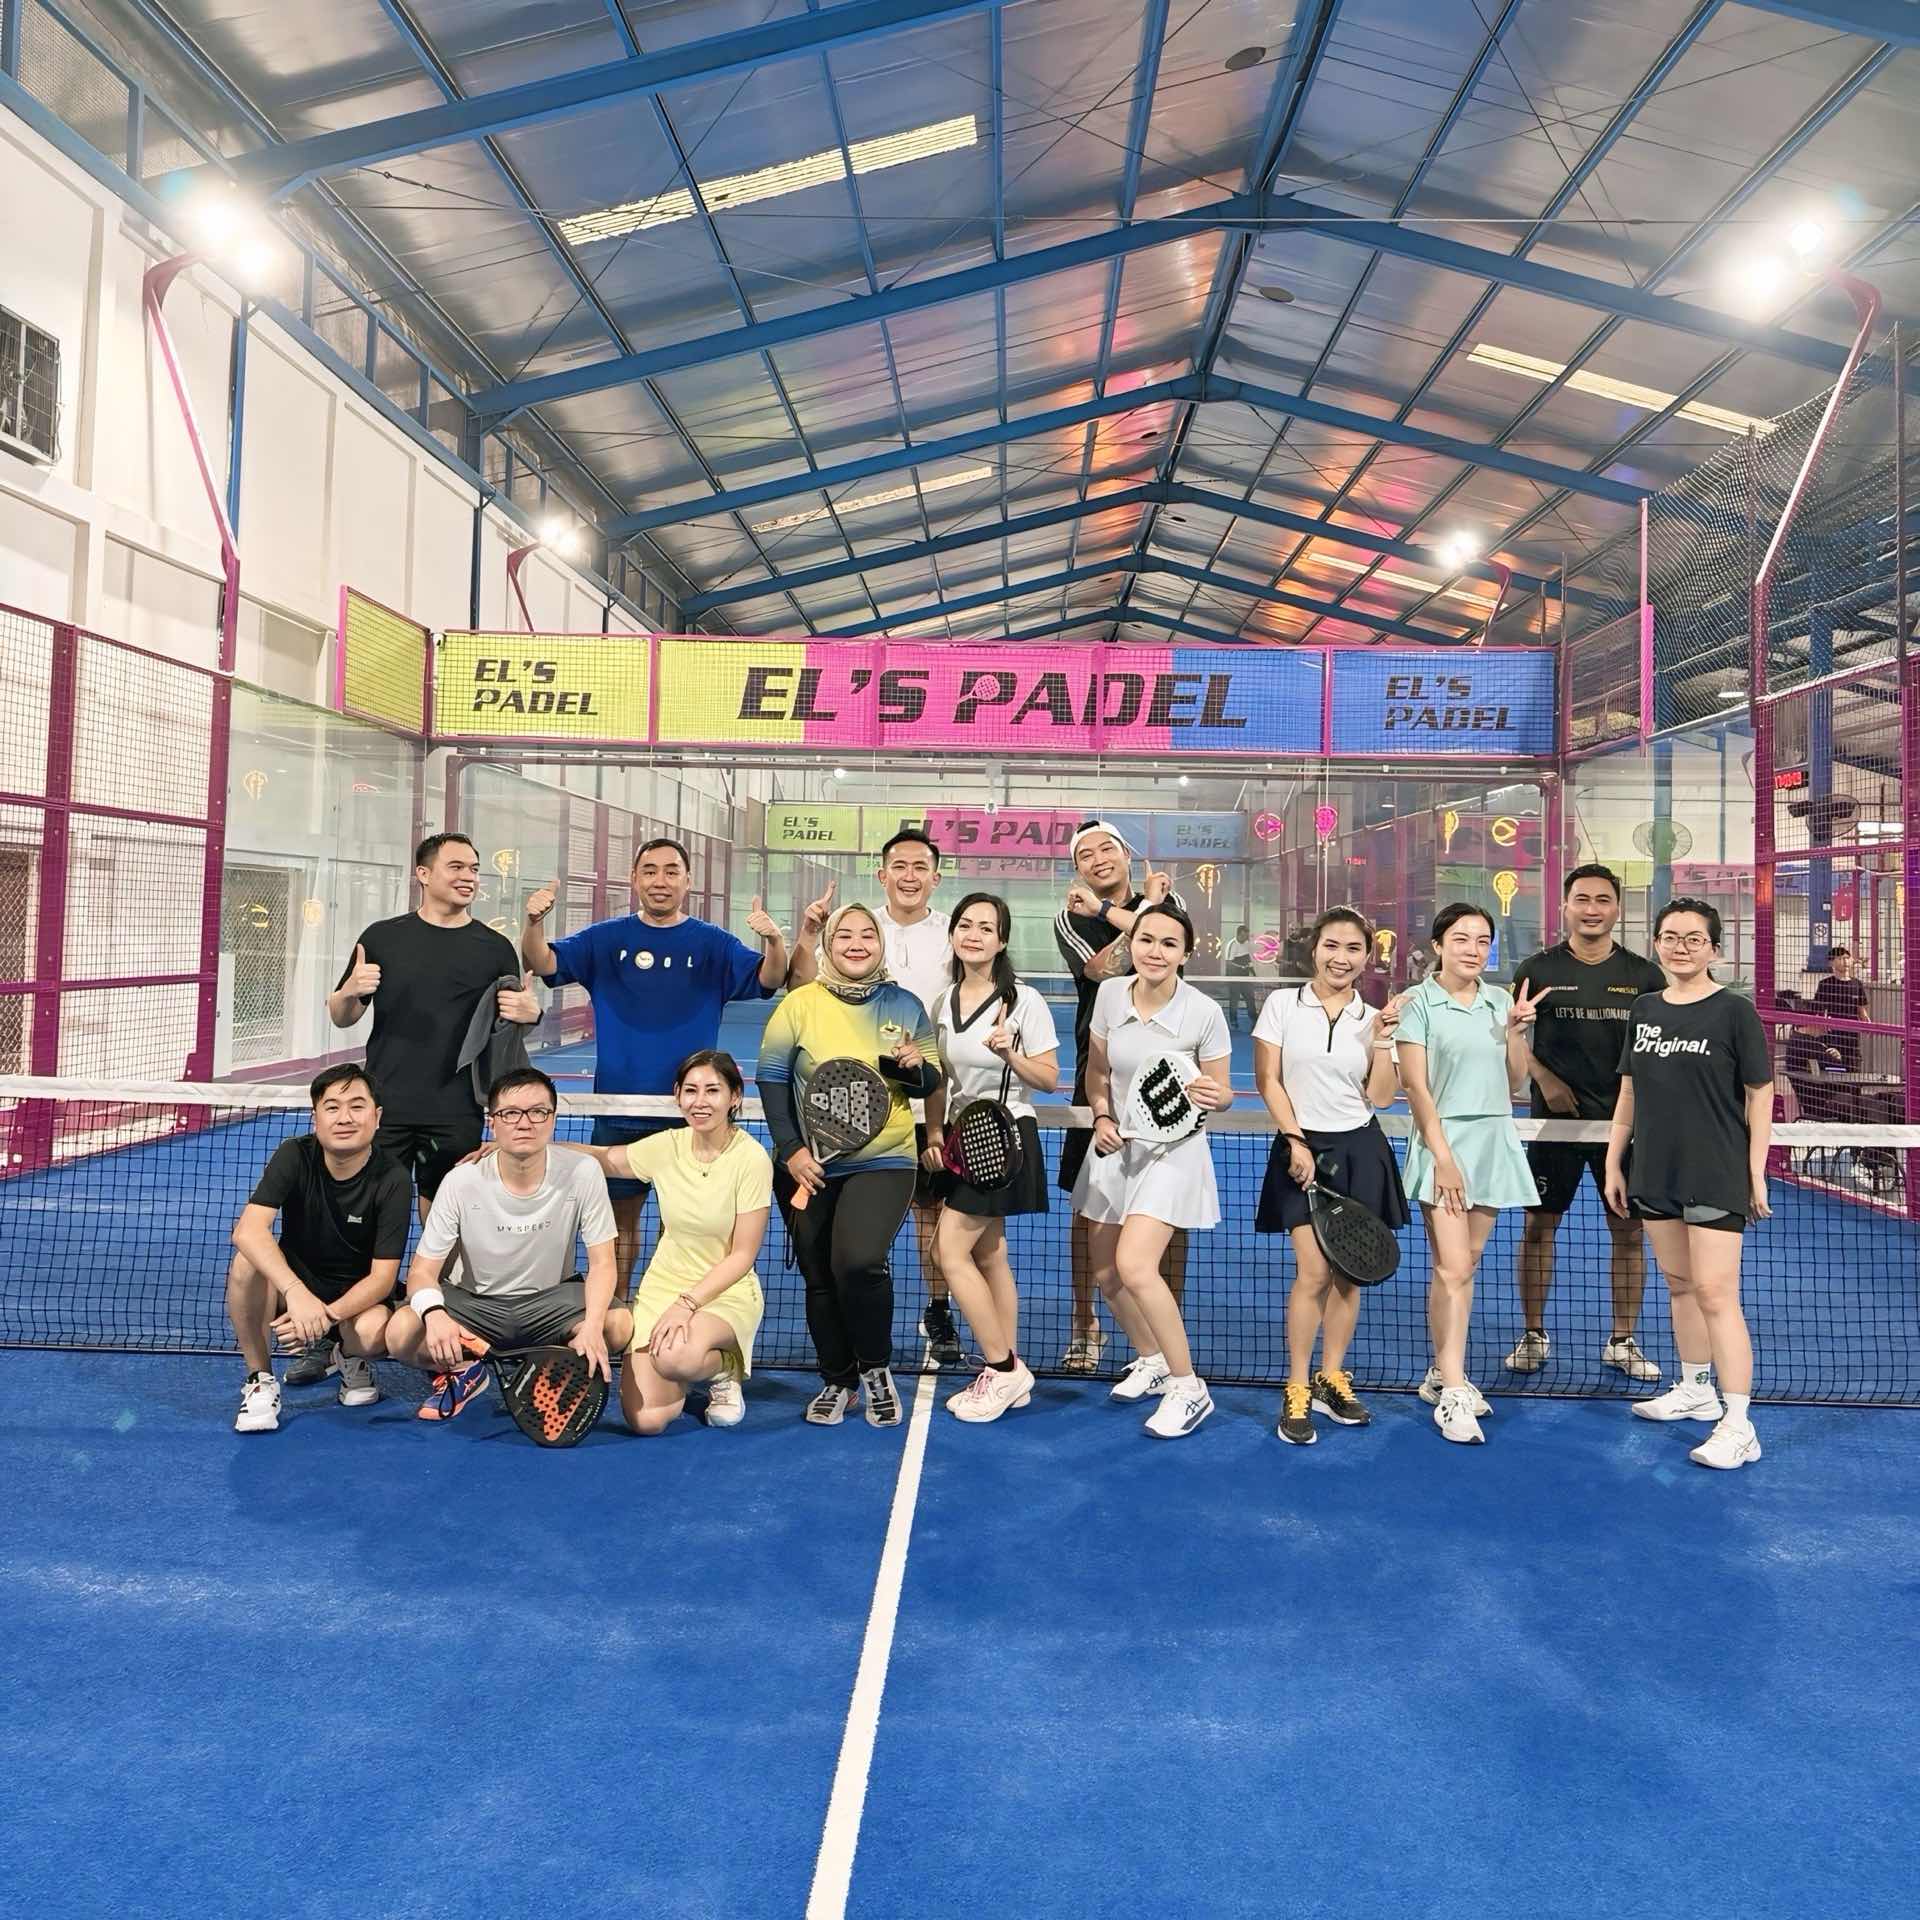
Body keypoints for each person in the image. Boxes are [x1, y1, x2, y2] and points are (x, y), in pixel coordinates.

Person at [308, 832, 539, 1385]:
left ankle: (448, 1332)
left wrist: (529, 1014)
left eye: (474, 868)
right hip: (382, 1112)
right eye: (456, 866)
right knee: (361, 1226)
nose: (469, 876)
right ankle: (341, 1341)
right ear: (423, 873)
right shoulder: (381, 938)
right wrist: (350, 990)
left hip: (455, 1111)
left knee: (445, 1227)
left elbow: (507, 1033)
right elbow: (341, 1015)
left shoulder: (493, 948)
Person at [521, 837, 787, 1300]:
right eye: (649, 871)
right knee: (618, 1224)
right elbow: (542, 961)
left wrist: (774, 940)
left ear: (687, 880)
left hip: (691, 1114)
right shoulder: (605, 939)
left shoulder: (712, 942)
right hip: (617, 1108)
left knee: (681, 1224)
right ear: (634, 879)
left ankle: (672, 1307)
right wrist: (533, 923)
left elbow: (770, 977)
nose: (659, 881)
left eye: (670, 871)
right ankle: (618, 1307)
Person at [1605, 900, 1773, 1470]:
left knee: (1716, 1295)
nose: (1681, 947)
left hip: (1715, 1170)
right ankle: (1697, 1390)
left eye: (1694, 938)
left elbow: (1760, 1094)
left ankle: (1739, 1424)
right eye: (1670, 936)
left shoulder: (1734, 1012)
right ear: (1655, 943)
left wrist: (1755, 1171)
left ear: (1714, 950)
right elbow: (1629, 1090)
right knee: (1679, 1285)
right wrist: (1614, 1161)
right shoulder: (1645, 1010)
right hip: (1655, 1169)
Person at [759, 904, 941, 1428]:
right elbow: (772, 1079)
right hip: (807, 1165)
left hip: (884, 1159)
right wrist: (792, 1150)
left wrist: (915, 1068)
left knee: (857, 1262)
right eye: (844, 935)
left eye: (867, 935)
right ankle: (838, 1379)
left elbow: (929, 1082)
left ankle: (875, 1369)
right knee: (819, 1276)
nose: (856, 944)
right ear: (828, 944)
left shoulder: (904, 1005)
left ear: (880, 944)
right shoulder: (799, 1004)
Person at [527, 1052, 772, 1435]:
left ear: (735, 1097)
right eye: (690, 1090)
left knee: (674, 1357)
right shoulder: (668, 1146)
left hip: (725, 1291)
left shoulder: (752, 1159)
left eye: (712, 1090)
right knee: (646, 1421)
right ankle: (682, 1368)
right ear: (677, 1095)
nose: (700, 1101)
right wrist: (533, 1147)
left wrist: (686, 1305)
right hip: (664, 1286)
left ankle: (724, 1368)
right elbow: (606, 1159)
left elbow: (743, 1254)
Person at [790, 829, 961, 1368]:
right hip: (848, 1106)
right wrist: (807, 935)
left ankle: (938, 1309)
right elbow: (800, 990)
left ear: (936, 877)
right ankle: (859, 1318)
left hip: (927, 1096)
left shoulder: (953, 935)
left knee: (931, 1213)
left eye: (920, 867)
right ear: (882, 874)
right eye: (899, 866)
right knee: (855, 1234)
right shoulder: (858, 928)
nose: (909, 876)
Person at [1396, 903, 1558, 1444]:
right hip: (1443, 1142)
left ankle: (1441, 1373)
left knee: (1462, 1266)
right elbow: (1415, 1087)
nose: (1473, 949)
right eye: (1461, 938)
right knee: (1453, 1268)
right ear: (1438, 945)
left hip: (1492, 1141)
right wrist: (1442, 1157)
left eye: (1483, 940)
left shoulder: (1500, 1002)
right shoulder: (1418, 1003)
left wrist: (1515, 1032)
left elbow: (1513, 1080)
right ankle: (1454, 1388)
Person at [385, 1067, 631, 1420]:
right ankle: (466, 1370)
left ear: (553, 1119)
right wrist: (435, 1314)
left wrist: (592, 1327)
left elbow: (603, 1263)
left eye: (538, 1112)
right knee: (401, 1331)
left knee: (618, 1325)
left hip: (549, 1302)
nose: (524, 1123)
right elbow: (422, 1272)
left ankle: (549, 1363)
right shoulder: (461, 1181)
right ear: (492, 1122)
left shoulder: (582, 1172)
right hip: (473, 1303)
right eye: (511, 1113)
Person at [1075, 902, 1233, 1440]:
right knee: (1106, 1272)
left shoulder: (1203, 1012)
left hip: (1174, 1153)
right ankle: (1153, 1358)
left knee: (1136, 1265)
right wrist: (1101, 1115)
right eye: (1146, 940)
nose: (1155, 951)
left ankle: (1189, 1388)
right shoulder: (1109, 995)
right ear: (1132, 944)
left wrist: (1214, 1094)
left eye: (1169, 943)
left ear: (1185, 953)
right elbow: (1098, 1071)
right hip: (1116, 1146)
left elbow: (1224, 1093)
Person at [1506, 864, 1668, 1383]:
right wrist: (1543, 1079)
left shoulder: (1645, 977)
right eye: (1582, 899)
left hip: (1623, 1131)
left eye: (1602, 900)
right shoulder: (1536, 969)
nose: (1591, 909)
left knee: (1629, 1233)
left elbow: (1656, 1050)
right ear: (1565, 906)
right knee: (1538, 1228)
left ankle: (1622, 1340)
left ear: (1617, 908)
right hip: (1552, 1128)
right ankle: (1533, 1334)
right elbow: (1511, 1036)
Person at [1253, 909, 1408, 1446]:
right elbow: (1267, 1079)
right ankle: (1297, 1385)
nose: (1341, 958)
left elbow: (1381, 1097)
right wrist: (1295, 1140)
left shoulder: (1375, 1017)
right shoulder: (1281, 1005)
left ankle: (1331, 1377)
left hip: (1361, 1149)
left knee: (1350, 1274)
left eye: (1353, 949)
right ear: (1314, 949)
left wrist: (1383, 1039)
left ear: (1367, 957)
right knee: (1314, 1272)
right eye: (1331, 946)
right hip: (1302, 1147)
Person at [1052, 819, 1187, 1372]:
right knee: (1088, 1208)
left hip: (1169, 1072)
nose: (1098, 858)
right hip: (1101, 1072)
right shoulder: (1070, 915)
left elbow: (1173, 950)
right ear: (1077, 869)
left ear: (1126, 854)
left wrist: (1112, 911)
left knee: (1169, 1208)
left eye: (1106, 847)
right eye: (1085, 854)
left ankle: (1166, 1324)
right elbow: (1105, 968)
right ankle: (1086, 1324)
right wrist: (1142, 912)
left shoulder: (1167, 901)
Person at [922, 892, 1061, 1423]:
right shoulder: (942, 1001)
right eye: (965, 924)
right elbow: (938, 1077)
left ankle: (1002, 1370)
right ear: (953, 933)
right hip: (961, 1137)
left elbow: (1049, 1079)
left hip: (1005, 1135)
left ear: (1002, 940)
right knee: (990, 1254)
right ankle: (1012, 1369)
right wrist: (936, 1132)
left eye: (986, 927)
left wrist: (1010, 1053)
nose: (974, 934)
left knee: (948, 1253)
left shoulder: (1025, 1001)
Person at [228, 1064, 413, 1433]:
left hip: (357, 1299)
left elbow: (383, 1278)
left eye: (357, 1106)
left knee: (374, 1331)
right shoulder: (294, 1154)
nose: (345, 1118)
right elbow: (248, 1230)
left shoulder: (393, 1177)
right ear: (315, 1118)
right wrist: (296, 1293)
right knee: (246, 1263)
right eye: (332, 1107)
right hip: (295, 1288)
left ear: (376, 1117)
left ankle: (347, 1355)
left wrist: (323, 1318)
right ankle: (260, 1379)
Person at [1809, 947, 1869, 1071]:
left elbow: (1862, 1011)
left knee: (1853, 1067)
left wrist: (1868, 1025)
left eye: (1847, 958)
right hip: (1833, 1034)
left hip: (1852, 1035)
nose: (1845, 961)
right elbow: (1818, 1011)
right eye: (1840, 958)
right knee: (1833, 1067)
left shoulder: (1857, 984)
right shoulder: (1825, 984)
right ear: (1831, 962)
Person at [1224, 924, 1257, 1030]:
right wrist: (1241, 967)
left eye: (1246, 936)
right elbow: (1228, 963)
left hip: (1245, 977)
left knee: (1250, 998)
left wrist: (1253, 972)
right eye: (1243, 936)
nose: (1245, 938)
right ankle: (1233, 1021)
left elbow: (1248, 960)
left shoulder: (1247, 944)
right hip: (1234, 977)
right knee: (1234, 999)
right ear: (1238, 935)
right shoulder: (1232, 945)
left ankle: (1254, 1020)